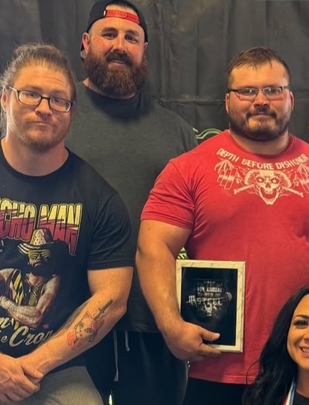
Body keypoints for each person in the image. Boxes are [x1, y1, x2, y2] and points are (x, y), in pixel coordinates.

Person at [0, 43, 133, 404]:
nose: (44, 107)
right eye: (31, 94)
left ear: (70, 111)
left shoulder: (99, 200)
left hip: (56, 372)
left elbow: (112, 300)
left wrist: (33, 366)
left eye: (58, 100)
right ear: (5, 98)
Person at [137, 47, 309, 405]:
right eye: (247, 91)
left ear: (290, 99)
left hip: (304, 366)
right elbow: (153, 247)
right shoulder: (187, 169)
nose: (261, 100)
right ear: (228, 101)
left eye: (273, 90)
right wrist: (171, 325)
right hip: (216, 363)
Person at [67, 1, 198, 404]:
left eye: (131, 38)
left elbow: (202, 226)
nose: (119, 46)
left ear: (144, 50)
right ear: (85, 43)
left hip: (152, 318)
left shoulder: (175, 131)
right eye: (108, 34)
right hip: (66, 317)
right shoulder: (55, 115)